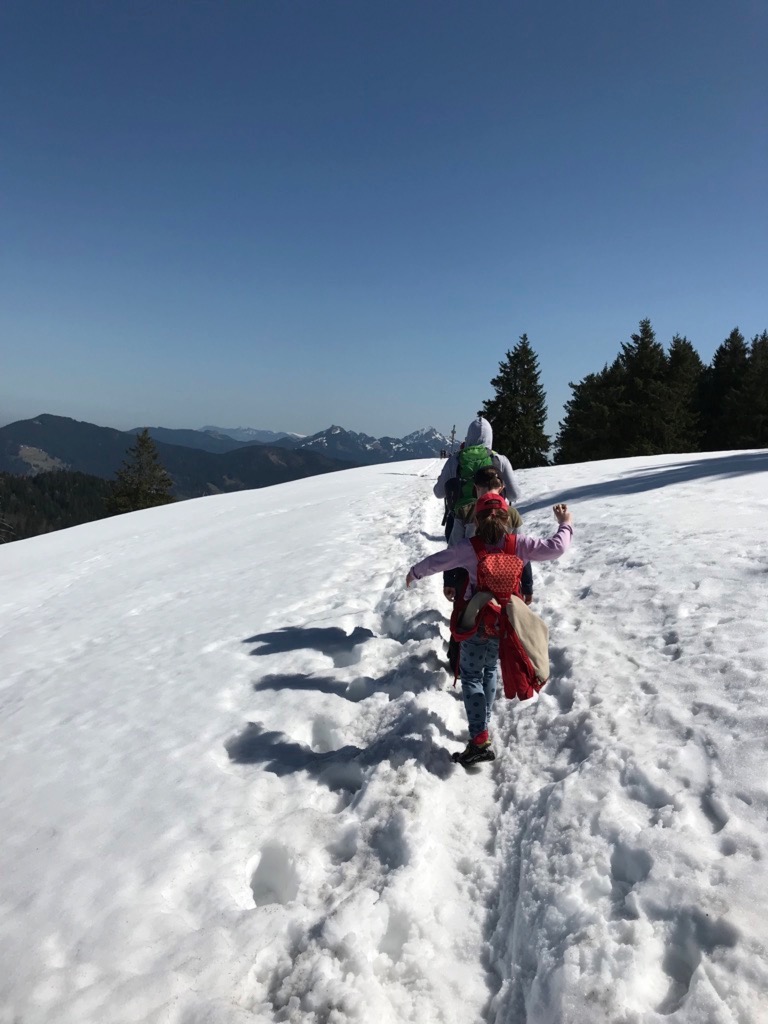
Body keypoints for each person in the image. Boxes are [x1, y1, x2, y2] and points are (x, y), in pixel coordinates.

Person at [406, 497, 573, 766]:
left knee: (471, 674)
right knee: (490, 670)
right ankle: (483, 726)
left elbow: (439, 560)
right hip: (504, 623)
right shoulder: (519, 544)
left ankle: (479, 739)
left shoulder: (469, 548)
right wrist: (564, 523)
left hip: (476, 620)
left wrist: (415, 572)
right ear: (508, 519)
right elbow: (557, 547)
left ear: (476, 520)